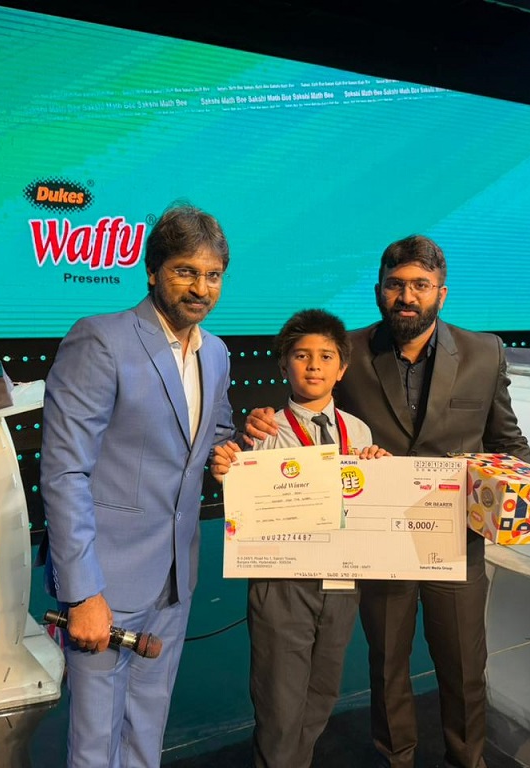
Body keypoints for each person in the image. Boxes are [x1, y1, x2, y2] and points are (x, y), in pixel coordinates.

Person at [246, 235, 530, 768]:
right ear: (379, 290)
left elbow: (508, 444)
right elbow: (310, 410)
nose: (407, 296)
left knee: (465, 666)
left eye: (421, 285)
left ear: (441, 292)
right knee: (386, 666)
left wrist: (511, 494)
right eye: (396, 285)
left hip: (454, 539)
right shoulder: (348, 352)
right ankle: (396, 758)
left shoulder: (484, 352)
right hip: (375, 542)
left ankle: (467, 760)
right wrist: (261, 420)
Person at [40, 202, 237, 768]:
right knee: (95, 742)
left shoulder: (216, 353)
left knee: (147, 728)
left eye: (213, 275)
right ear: (152, 271)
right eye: (185, 271)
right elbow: (64, 472)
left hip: (175, 576)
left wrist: (237, 446)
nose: (200, 288)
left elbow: (215, 435)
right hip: (106, 581)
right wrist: (83, 593)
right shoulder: (100, 340)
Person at [212, 308, 389, 768]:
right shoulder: (263, 431)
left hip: (342, 580)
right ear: (283, 365)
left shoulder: (358, 430)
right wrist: (228, 468)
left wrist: (379, 471)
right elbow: (239, 491)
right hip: (283, 581)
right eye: (301, 355)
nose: (313, 366)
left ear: (342, 368)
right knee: (279, 703)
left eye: (326, 356)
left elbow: (366, 500)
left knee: (322, 692)